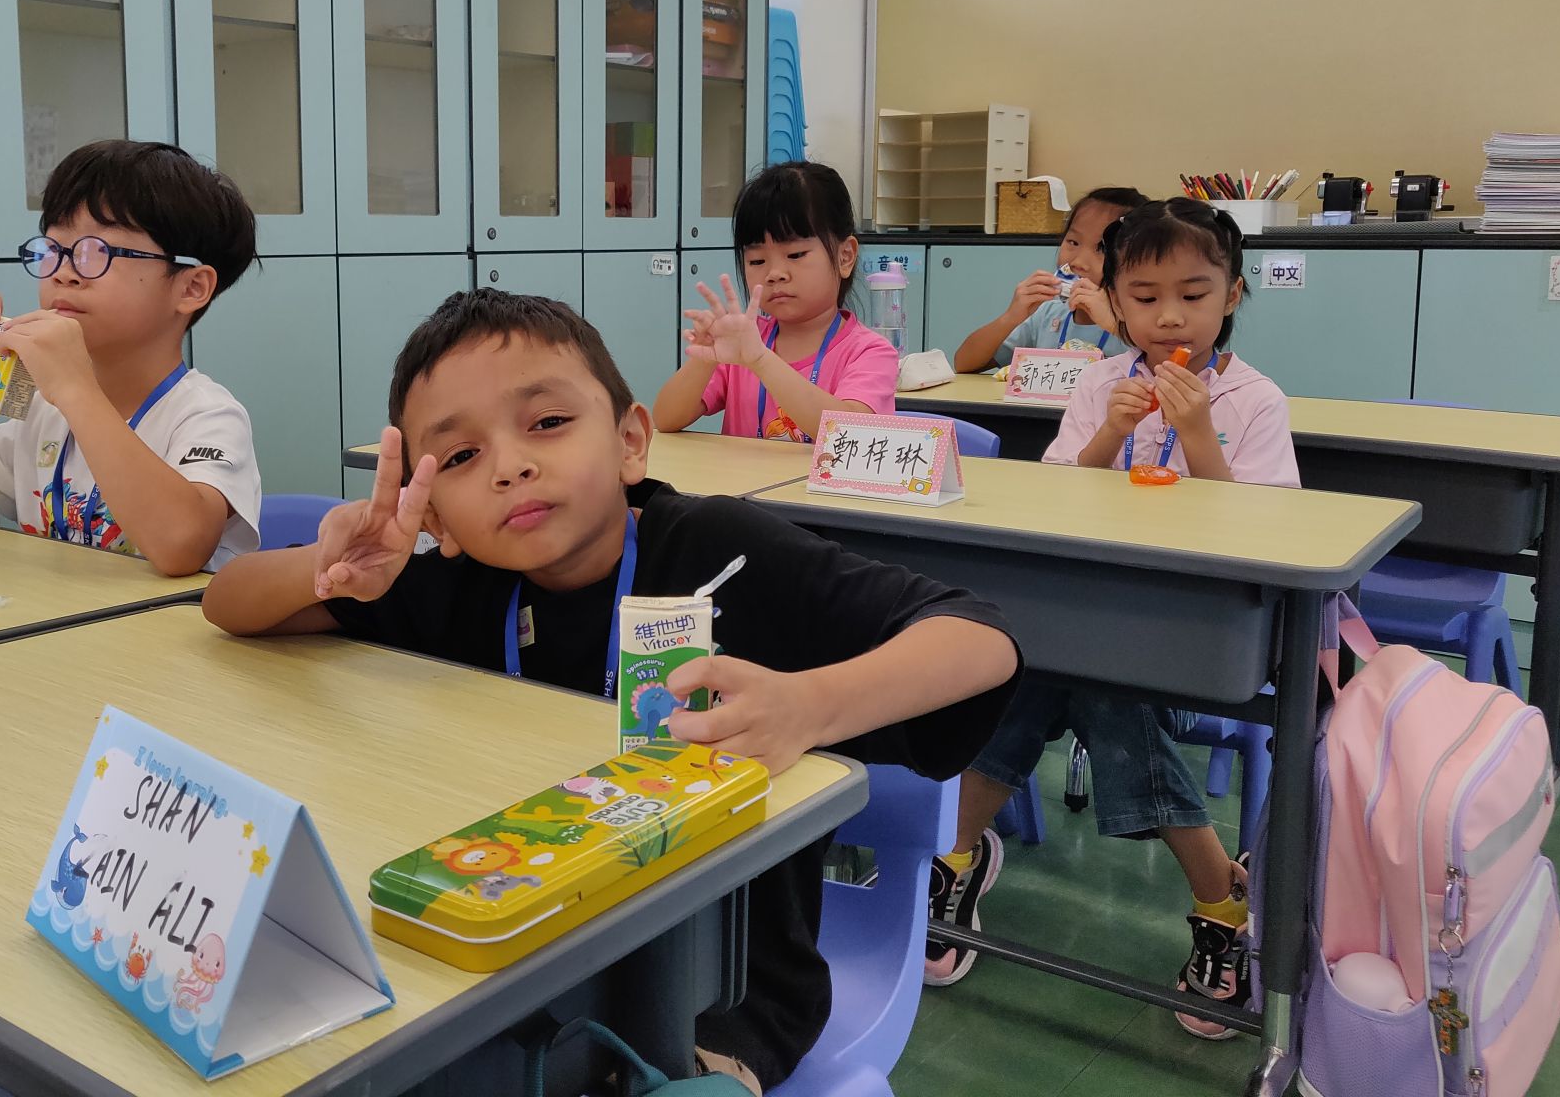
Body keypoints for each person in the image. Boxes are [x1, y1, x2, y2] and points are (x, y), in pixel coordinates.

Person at [203, 289, 1020, 1092]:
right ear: (437, 517)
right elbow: (228, 604)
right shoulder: (457, 584)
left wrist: (810, 706)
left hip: (719, 984)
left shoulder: (723, 551)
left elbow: (980, 638)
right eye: (459, 458)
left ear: (631, 441)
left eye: (547, 423)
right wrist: (329, 568)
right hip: (511, 956)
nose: (510, 466)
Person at [927, 197, 1296, 1038]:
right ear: (1116, 302)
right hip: (1094, 616)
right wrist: (1105, 438)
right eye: (1145, 296)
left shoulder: (1255, 400)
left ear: (1232, 296)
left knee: (1103, 693)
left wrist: (1198, 436)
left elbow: (1268, 537)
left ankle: (1214, 900)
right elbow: (1057, 497)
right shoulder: (1100, 382)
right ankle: (962, 858)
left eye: (1193, 295)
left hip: (1195, 640)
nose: (1169, 316)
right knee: (1022, 671)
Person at [0, 141, 262, 575]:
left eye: (97, 252)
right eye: (54, 250)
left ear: (191, 288)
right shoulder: (44, 417)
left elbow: (181, 546)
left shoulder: (207, 416)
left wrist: (74, 388)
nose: (64, 273)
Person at [653, 162, 898, 442]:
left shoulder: (870, 353)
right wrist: (704, 358)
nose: (775, 273)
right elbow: (665, 419)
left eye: (795, 255)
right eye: (757, 260)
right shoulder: (743, 341)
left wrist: (761, 360)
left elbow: (849, 435)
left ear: (845, 257)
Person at [951, 185, 1149, 373]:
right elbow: (964, 363)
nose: (1078, 262)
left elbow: (1160, 364)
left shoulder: (1140, 322)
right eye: (1073, 242)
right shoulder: (1047, 316)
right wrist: (1011, 316)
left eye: (1102, 249)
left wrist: (1113, 324)